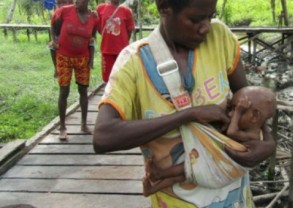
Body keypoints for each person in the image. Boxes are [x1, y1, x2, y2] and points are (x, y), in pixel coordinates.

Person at [93, 0, 276, 207]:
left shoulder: (219, 38)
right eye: (196, 19)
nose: (206, 27)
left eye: (210, 15)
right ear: (164, 8)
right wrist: (188, 115)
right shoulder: (134, 63)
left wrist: (268, 141)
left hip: (234, 196)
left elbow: (252, 102)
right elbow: (103, 136)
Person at [141, 86, 277, 197]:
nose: (230, 114)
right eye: (231, 108)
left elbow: (231, 133)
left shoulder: (253, 135)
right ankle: (153, 188)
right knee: (183, 175)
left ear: (254, 116)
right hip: (215, 160)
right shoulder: (254, 127)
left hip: (219, 169)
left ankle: (160, 174)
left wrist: (237, 113)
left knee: (186, 168)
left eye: (236, 110)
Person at [52, 0, 99, 140]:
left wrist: (91, 60)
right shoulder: (64, 11)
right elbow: (54, 27)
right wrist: (55, 41)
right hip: (63, 57)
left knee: (83, 91)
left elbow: (92, 38)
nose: (77, 1)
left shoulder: (94, 17)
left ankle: (84, 124)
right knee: (64, 91)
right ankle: (62, 127)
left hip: (82, 59)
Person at [96, 0, 135, 83]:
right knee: (108, 79)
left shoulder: (126, 11)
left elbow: (129, 30)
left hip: (122, 52)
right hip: (107, 50)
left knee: (123, 77)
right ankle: (109, 95)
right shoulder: (101, 8)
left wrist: (121, 42)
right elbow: (99, 28)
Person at [49, 0, 73, 78]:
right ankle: (56, 68)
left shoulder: (73, 10)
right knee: (52, 46)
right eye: (59, 3)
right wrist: (54, 40)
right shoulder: (56, 13)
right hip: (60, 35)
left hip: (73, 35)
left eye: (64, 2)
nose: (61, 5)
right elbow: (52, 27)